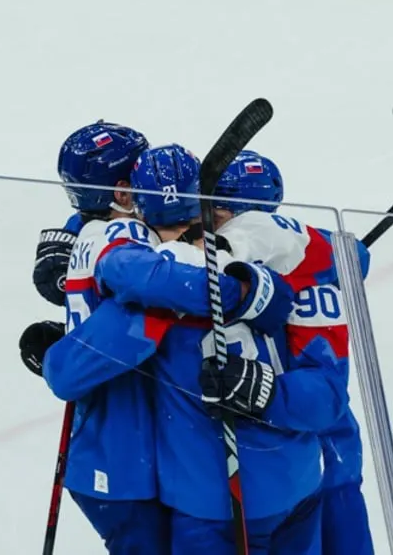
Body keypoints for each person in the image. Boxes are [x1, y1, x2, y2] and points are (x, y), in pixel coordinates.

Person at [17, 122, 295, 554]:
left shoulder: (99, 228)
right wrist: (247, 293)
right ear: (125, 194)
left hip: (119, 456)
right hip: (122, 464)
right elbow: (148, 289)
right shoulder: (126, 239)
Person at [131, 143, 350, 554]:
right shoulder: (186, 267)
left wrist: (266, 390)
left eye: (222, 213)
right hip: (272, 487)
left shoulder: (309, 286)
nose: (211, 222)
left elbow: (329, 396)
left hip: (245, 497)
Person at [214, 150, 375, 555]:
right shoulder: (295, 251)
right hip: (298, 456)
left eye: (218, 204)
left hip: (324, 454)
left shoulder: (275, 254)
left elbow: (327, 389)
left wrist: (268, 392)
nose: (209, 213)